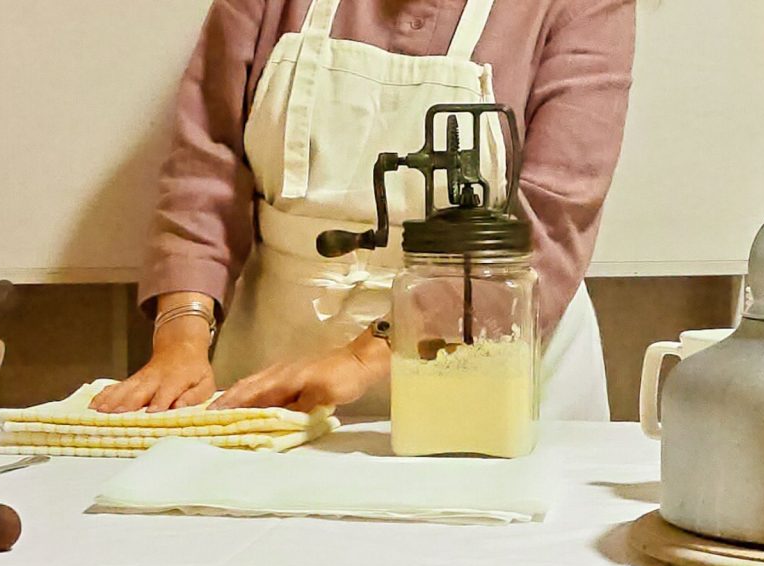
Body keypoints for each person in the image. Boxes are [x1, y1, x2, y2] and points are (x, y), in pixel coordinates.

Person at [91, 0, 635, 418]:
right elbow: (208, 166)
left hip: (491, 378)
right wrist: (182, 338)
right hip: (271, 379)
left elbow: (547, 218)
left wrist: (364, 357)